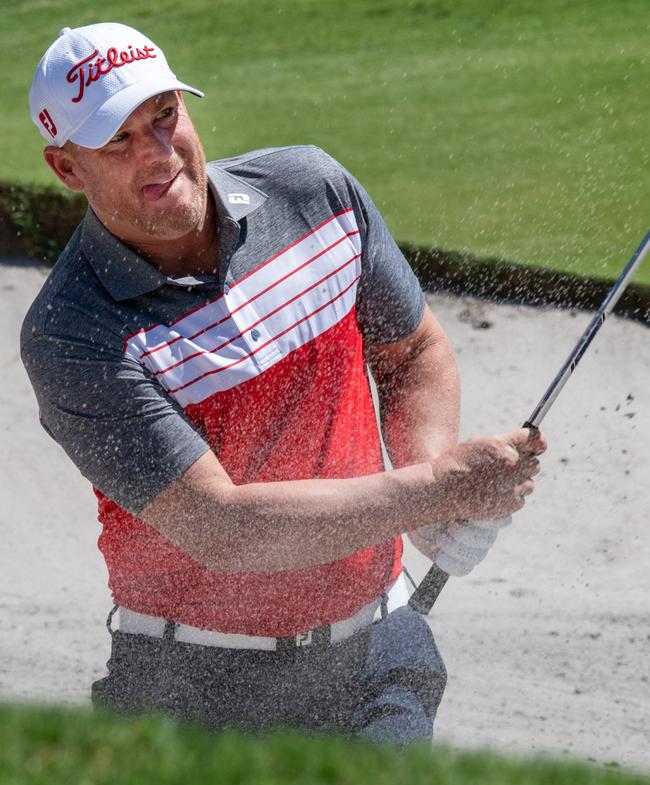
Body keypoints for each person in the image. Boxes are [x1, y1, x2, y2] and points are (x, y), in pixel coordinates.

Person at [21, 23, 546, 746]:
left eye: (165, 115)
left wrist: (429, 479)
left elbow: (411, 350)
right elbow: (225, 529)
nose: (158, 151)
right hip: (191, 694)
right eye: (118, 139)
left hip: (374, 661)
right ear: (66, 168)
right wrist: (438, 489)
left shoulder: (313, 190)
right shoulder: (72, 331)